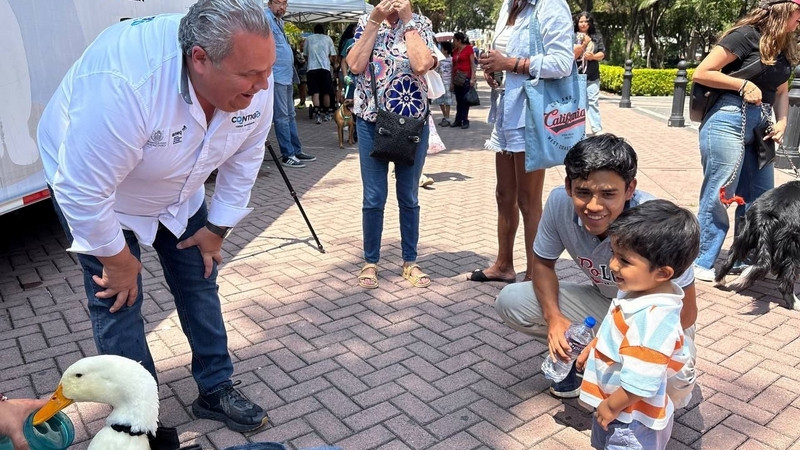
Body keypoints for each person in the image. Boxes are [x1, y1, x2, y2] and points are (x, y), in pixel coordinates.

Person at [36, 0, 273, 432]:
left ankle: (216, 388)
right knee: (119, 301)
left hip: (179, 190)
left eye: (267, 70)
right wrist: (117, 260)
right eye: (250, 75)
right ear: (199, 59)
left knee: (199, 280)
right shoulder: (125, 82)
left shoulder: (255, 77)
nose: (263, 85)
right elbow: (83, 189)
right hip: (103, 196)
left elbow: (246, 157)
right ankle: (138, 420)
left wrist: (216, 228)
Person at [494, 134, 698, 405]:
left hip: (655, 318)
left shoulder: (657, 224)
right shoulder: (559, 203)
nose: (593, 206)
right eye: (583, 192)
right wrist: (554, 318)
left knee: (673, 382)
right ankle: (579, 360)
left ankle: (617, 378)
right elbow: (542, 264)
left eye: (608, 194)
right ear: (568, 187)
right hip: (607, 304)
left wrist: (609, 342)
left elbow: (687, 313)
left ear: (630, 189)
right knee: (511, 300)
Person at [575, 200, 698, 449]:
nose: (613, 265)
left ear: (662, 273)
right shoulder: (637, 291)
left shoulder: (654, 318)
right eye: (613, 254)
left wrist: (612, 406)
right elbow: (616, 332)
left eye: (624, 260)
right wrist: (595, 346)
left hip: (631, 419)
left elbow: (643, 379)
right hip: (618, 407)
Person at [690, 0, 798, 282]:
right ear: (783, 10)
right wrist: (742, 84)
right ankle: (702, 259)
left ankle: (746, 258)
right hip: (728, 116)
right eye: (799, 12)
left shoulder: (783, 44)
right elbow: (702, 72)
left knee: (761, 196)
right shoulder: (746, 35)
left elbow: (781, 90)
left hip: (762, 124)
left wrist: (782, 122)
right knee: (721, 191)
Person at [469, 0, 573, 284]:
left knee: (528, 200)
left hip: (532, 113)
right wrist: (495, 70)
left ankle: (535, 274)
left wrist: (509, 64)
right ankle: (504, 264)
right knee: (504, 195)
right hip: (507, 109)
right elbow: (506, 55)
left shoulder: (551, 5)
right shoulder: (510, 5)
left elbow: (562, 63)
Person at [346, 0, 436, 290]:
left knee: (408, 195)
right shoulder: (366, 22)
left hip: (412, 123)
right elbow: (355, 65)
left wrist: (408, 21)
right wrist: (374, 20)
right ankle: (370, 261)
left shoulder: (421, 24)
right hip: (371, 121)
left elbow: (421, 64)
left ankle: (410, 261)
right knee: (373, 197)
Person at [266, 0, 316, 169]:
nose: (282, 7)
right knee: (281, 117)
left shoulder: (279, 21)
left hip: (286, 74)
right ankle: (287, 155)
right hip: (276, 75)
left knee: (290, 114)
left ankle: (296, 150)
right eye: (278, 3)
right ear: (270, 3)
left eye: (285, 4)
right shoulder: (266, 19)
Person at [574, 11, 605, 136]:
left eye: (586, 21)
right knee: (578, 104)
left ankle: (596, 129)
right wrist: (584, 44)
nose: (583, 24)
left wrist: (592, 56)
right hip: (577, 76)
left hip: (592, 76)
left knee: (593, 102)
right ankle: (578, 130)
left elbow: (602, 54)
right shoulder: (572, 36)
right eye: (581, 21)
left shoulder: (596, 36)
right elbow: (572, 55)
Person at [305, 23, 337, 124]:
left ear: (314, 31)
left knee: (315, 92)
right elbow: (333, 55)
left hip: (312, 68)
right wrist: (333, 64)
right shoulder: (328, 39)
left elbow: (305, 54)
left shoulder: (308, 39)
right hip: (325, 68)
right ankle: (327, 113)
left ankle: (317, 114)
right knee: (326, 92)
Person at [450, 32, 477, 129]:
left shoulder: (469, 49)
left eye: (454, 40)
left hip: (466, 77)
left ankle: (465, 120)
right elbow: (453, 66)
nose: (453, 42)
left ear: (459, 40)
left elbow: (472, 64)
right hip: (457, 78)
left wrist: (472, 78)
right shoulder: (455, 51)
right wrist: (452, 82)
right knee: (459, 100)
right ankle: (458, 120)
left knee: (465, 101)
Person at [432, 41, 454, 127]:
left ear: (446, 50)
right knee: (440, 101)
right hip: (440, 83)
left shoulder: (451, 60)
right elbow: (436, 69)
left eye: (442, 48)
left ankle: (447, 118)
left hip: (448, 82)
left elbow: (453, 72)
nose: (440, 50)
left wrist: (452, 83)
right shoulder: (440, 60)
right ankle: (445, 116)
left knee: (447, 102)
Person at [295, 42, 309, 108]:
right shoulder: (298, 53)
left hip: (304, 72)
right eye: (301, 45)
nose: (302, 47)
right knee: (300, 88)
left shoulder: (306, 54)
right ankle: (301, 101)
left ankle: (303, 102)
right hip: (299, 72)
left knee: (303, 87)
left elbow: (303, 62)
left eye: (303, 46)